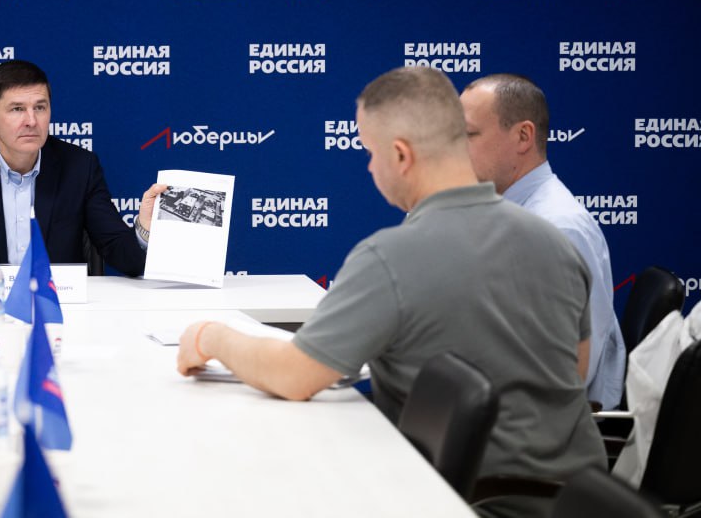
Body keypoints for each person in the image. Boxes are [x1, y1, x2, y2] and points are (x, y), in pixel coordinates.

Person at [177, 67, 605, 517]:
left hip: (467, 503)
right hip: (584, 499)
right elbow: (574, 371)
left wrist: (210, 336)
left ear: (401, 155)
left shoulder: (391, 256)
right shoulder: (555, 241)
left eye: (370, 152)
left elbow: (292, 376)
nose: (369, 167)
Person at [0, 59, 166, 287]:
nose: (31, 121)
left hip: (59, 310)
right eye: (17, 109)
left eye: (40, 107)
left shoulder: (79, 167)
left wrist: (143, 228)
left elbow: (124, 257)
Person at [461, 73, 626, 409]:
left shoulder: (557, 229)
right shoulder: (504, 214)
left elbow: (565, 374)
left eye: (468, 135)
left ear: (523, 137)